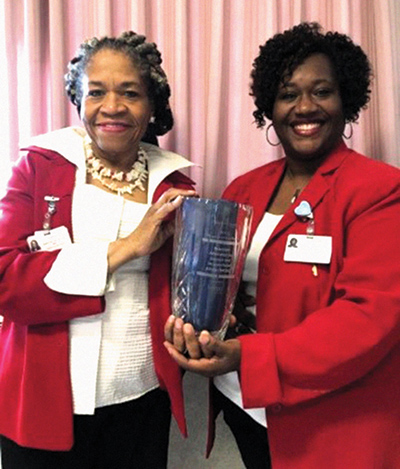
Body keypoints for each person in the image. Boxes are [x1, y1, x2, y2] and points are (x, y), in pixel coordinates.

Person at [165, 22, 400, 469]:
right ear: (269, 107)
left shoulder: (380, 190)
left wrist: (245, 355)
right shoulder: (243, 190)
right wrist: (210, 323)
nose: (304, 107)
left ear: (346, 99)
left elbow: (368, 318)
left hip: (332, 418)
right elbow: (225, 286)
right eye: (289, 94)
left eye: (322, 91)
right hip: (246, 405)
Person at [0, 31, 197, 469]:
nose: (112, 107)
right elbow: (6, 278)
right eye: (96, 92)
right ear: (78, 100)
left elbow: (184, 289)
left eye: (130, 92)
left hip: (142, 397)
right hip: (43, 400)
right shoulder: (38, 166)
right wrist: (126, 248)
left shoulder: (177, 185)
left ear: (152, 105)